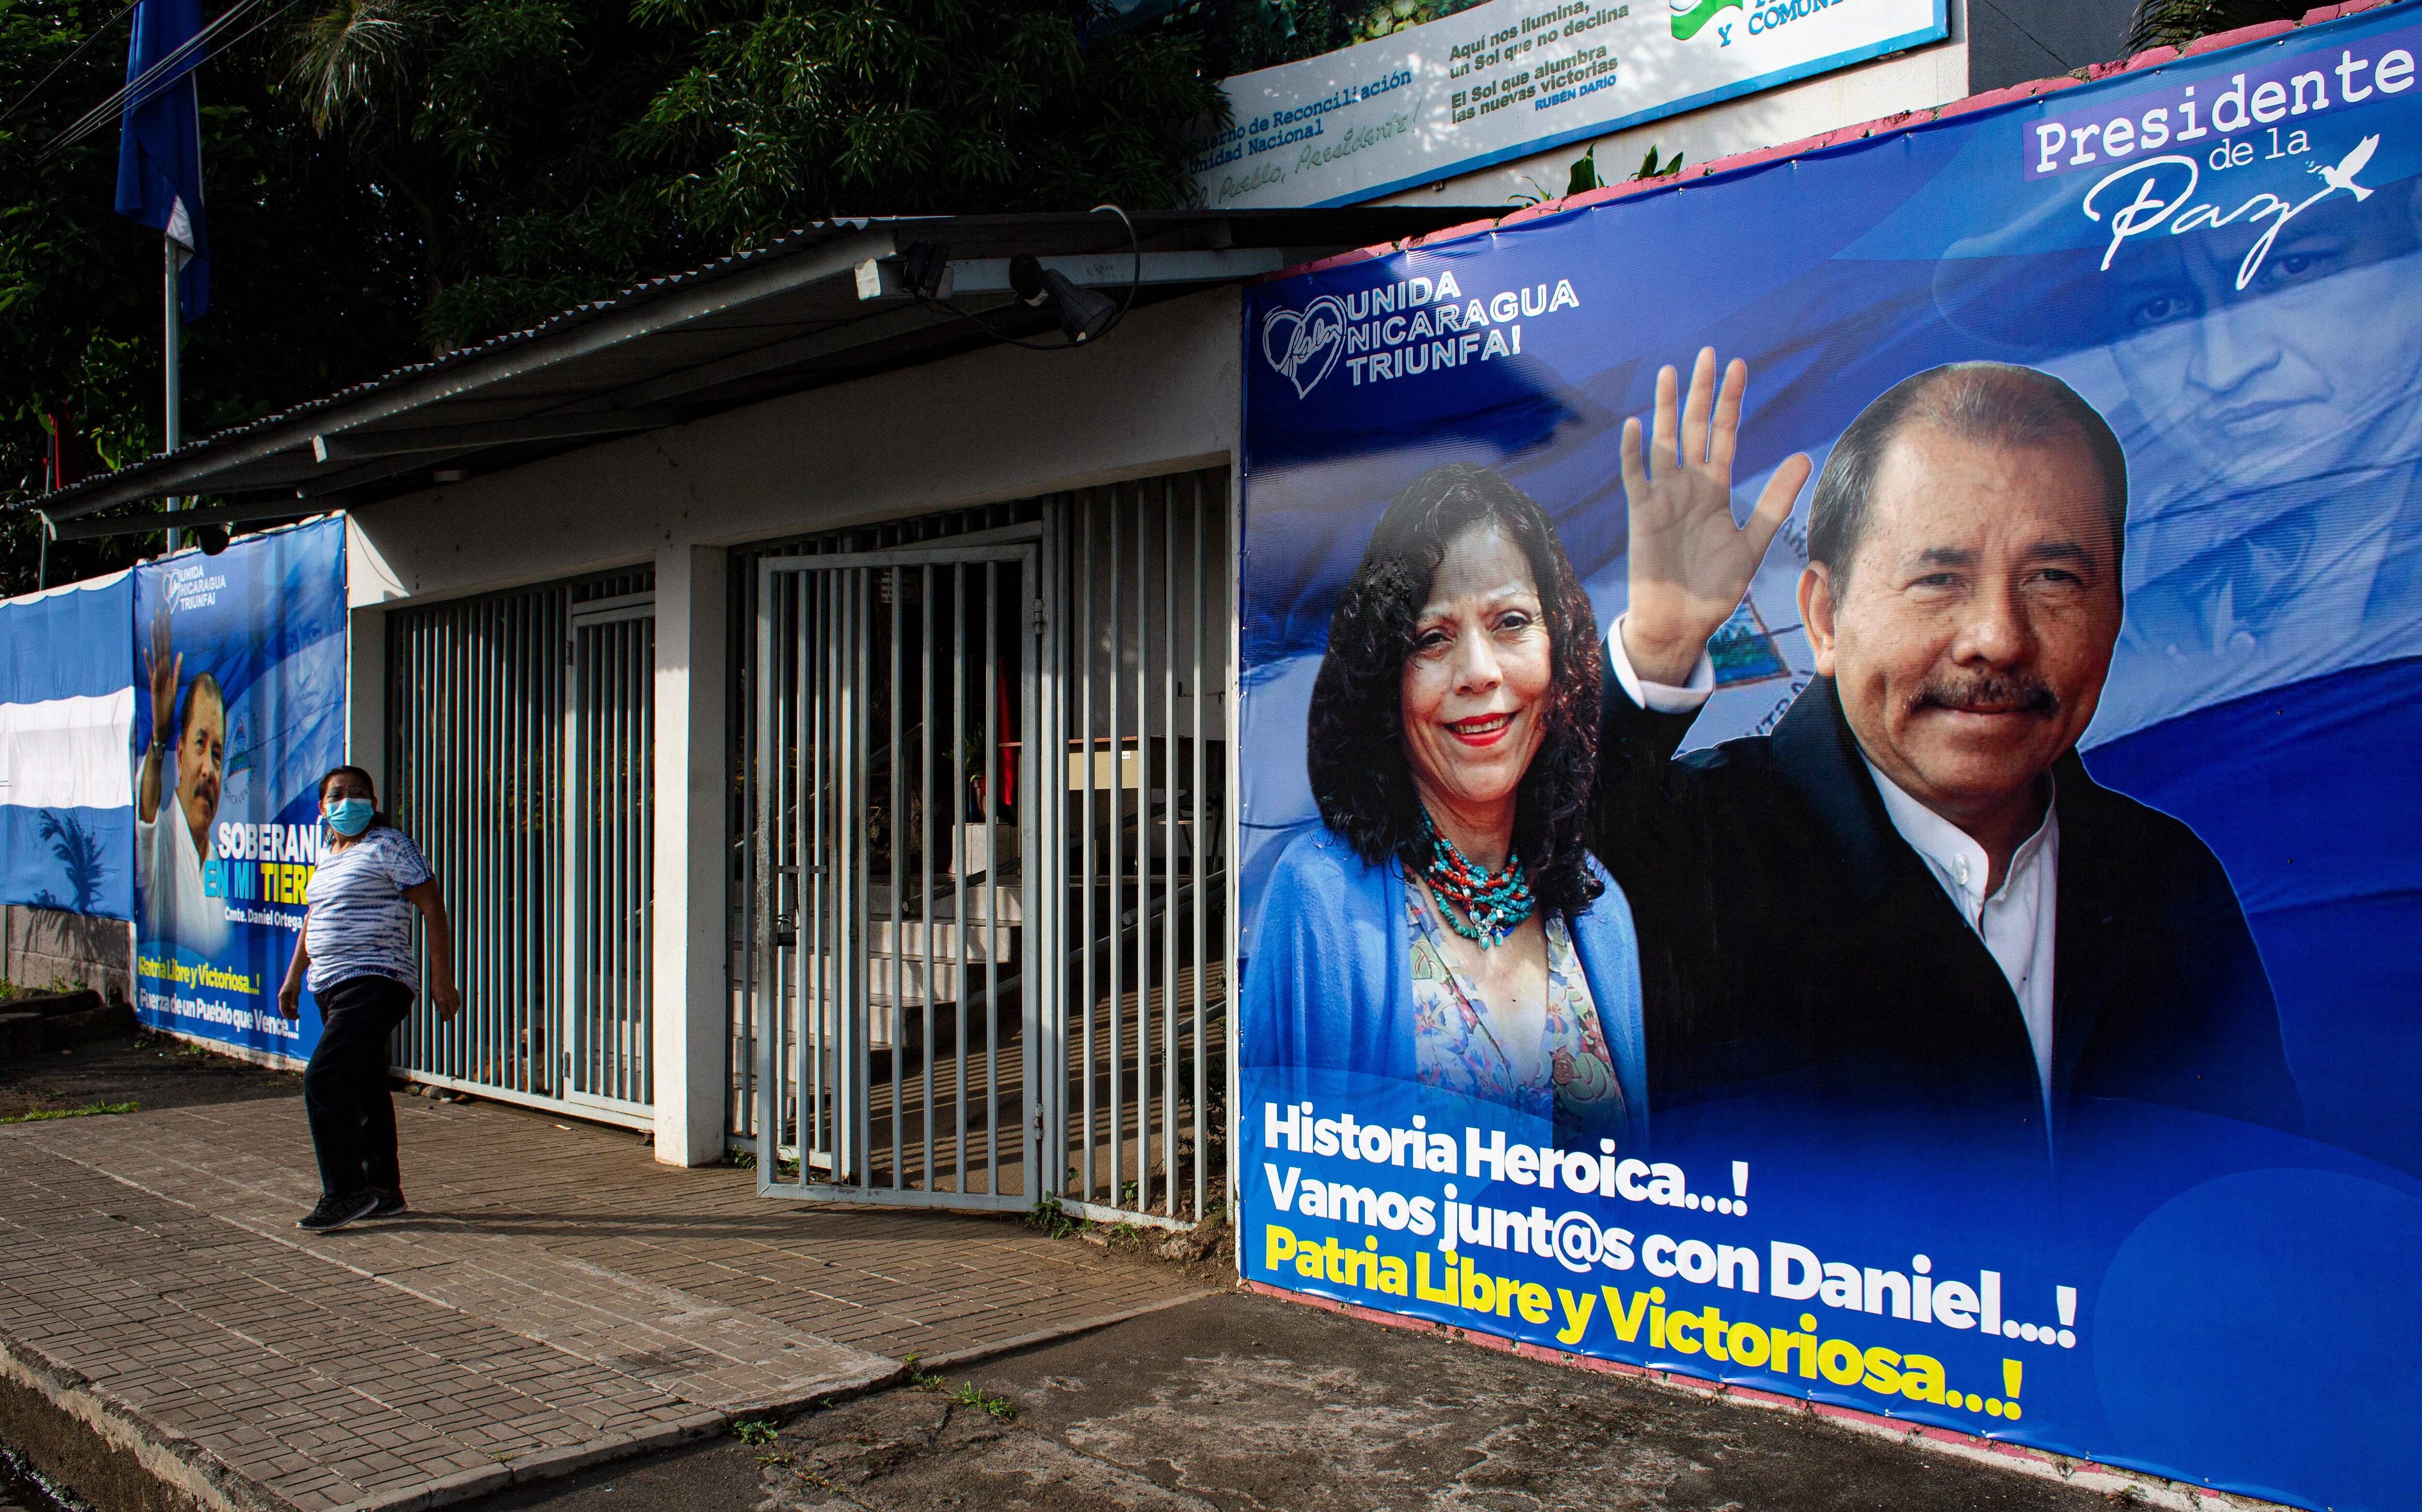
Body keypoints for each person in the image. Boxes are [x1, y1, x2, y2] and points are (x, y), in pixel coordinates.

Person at [1596, 351, 2304, 1165]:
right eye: (1939, 578)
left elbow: (2253, 1207)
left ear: (2114, 609)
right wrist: (1656, 651)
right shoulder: (1688, 850)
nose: (1998, 638)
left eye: (2053, 577)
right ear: (1825, 617)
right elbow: (1489, 899)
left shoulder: (2166, 880)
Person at [1243, 464, 1648, 1154]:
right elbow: (1285, 1190)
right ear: (1385, 681)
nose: (1479, 671)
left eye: (1511, 622)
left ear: (1560, 652)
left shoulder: (1598, 906)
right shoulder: (1321, 898)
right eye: (1432, 638)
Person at [277, 766, 460, 1232]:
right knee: (364, 1086)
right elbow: (314, 918)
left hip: (378, 978)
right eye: (338, 794)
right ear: (323, 808)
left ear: (374, 802)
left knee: (324, 1078)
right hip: (330, 984)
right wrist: (293, 978)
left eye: (359, 793)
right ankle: (384, 1191)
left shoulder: (391, 846)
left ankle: (345, 1193)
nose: (349, 800)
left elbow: (432, 905)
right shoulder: (328, 856)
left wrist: (443, 980)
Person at [135, 605, 230, 956]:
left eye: (217, 754)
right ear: (179, 751)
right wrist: (159, 736)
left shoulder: (221, 864)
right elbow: (147, 814)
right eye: (200, 744)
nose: (208, 769)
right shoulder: (161, 842)